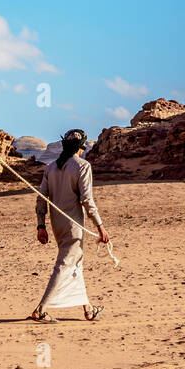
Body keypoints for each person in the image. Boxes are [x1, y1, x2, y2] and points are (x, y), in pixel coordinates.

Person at [28, 129, 110, 323]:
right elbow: (87, 201)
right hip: (73, 226)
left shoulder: (51, 168)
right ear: (80, 148)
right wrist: (100, 227)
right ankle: (41, 309)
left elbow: (41, 199)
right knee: (65, 264)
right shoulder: (82, 166)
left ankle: (88, 309)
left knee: (75, 263)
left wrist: (41, 226)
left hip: (57, 225)